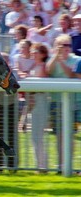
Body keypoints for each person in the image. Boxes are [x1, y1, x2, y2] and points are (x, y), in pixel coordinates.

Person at [46, 34, 81, 174]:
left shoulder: (77, 59)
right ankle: (61, 165)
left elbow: (72, 75)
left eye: (68, 45)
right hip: (56, 103)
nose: (66, 48)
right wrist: (56, 57)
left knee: (70, 135)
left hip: (74, 104)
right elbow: (48, 71)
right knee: (60, 135)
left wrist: (61, 61)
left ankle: (69, 165)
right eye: (63, 45)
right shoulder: (52, 59)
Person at [25, 43, 49, 173]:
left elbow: (40, 85)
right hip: (33, 102)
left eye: (36, 52)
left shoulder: (42, 67)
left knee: (37, 136)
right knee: (34, 136)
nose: (33, 53)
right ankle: (40, 165)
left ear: (43, 54)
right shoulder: (34, 66)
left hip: (39, 101)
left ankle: (42, 166)